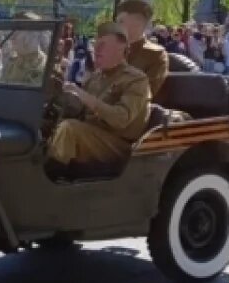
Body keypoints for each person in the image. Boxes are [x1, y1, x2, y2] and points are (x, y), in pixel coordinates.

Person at [45, 24, 150, 179]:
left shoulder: (136, 79)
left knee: (69, 129)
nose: (96, 49)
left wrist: (83, 96)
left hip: (117, 144)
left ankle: (50, 181)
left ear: (121, 48)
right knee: (44, 126)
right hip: (91, 136)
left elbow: (121, 119)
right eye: (95, 44)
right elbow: (79, 109)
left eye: (103, 45)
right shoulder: (96, 77)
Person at [114, 0, 168, 97]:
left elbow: (145, 93)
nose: (117, 26)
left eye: (121, 21)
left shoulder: (155, 55)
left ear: (138, 22)